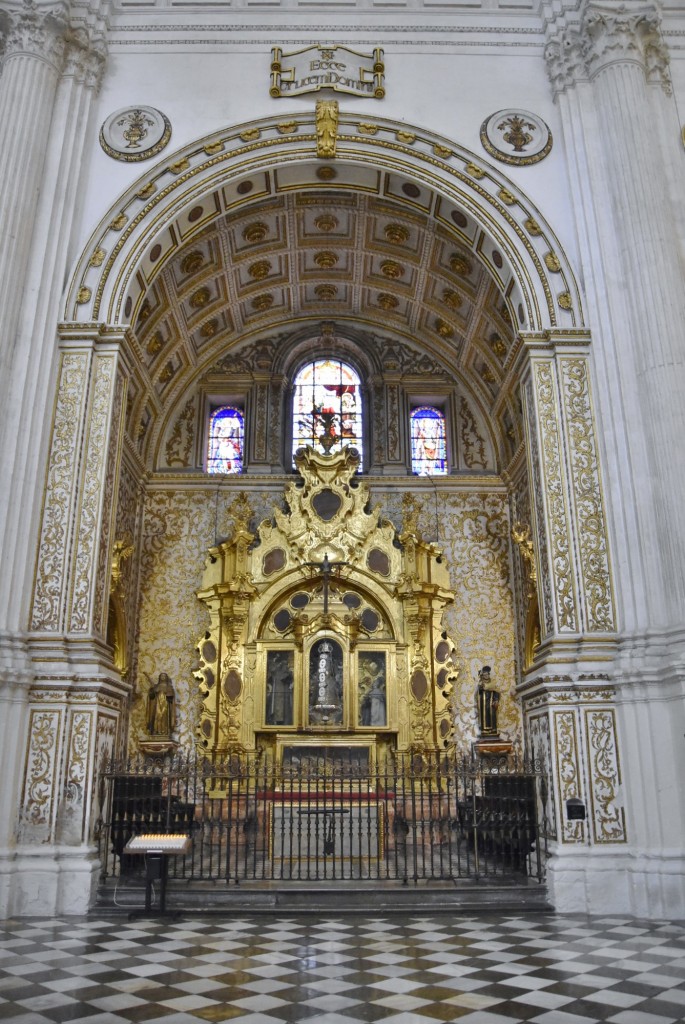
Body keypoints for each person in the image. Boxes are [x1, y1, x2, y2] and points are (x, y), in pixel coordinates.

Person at [146, 672, 176, 737]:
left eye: (164, 676)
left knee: (164, 716)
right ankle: (156, 731)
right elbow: (151, 696)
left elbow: (171, 696)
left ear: (166, 678)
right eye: (161, 676)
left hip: (165, 703)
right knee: (158, 715)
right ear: (159, 677)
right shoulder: (156, 686)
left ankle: (164, 731)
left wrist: (168, 694)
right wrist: (152, 690)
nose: (163, 677)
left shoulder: (169, 687)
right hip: (157, 703)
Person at [476, 665, 499, 737]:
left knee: (492, 715)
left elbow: (496, 692)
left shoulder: (493, 683)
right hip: (484, 704)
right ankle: (484, 731)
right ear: (483, 675)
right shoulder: (481, 683)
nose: (487, 676)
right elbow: (478, 693)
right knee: (484, 716)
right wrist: (480, 686)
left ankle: (493, 730)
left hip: (491, 703)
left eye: (488, 674)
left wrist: (496, 700)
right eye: (485, 674)